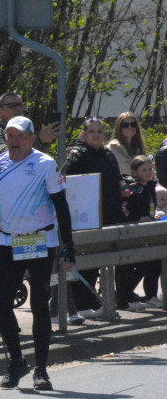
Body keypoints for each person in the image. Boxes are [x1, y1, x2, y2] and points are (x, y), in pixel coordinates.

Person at [0, 116, 76, 391]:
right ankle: (16, 361)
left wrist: (68, 246)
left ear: (31, 138)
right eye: (10, 136)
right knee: (1, 306)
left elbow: (61, 206)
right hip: (10, 242)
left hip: (40, 241)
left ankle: (42, 370)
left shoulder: (45, 164)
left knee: (38, 304)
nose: (14, 141)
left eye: (20, 136)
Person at [0, 92, 61, 336]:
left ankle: (6, 321)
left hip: (23, 218)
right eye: (12, 105)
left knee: (20, 279)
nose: (18, 108)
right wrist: (38, 140)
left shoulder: (13, 131)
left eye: (21, 104)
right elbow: (10, 155)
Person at [64, 117, 124, 318]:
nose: (96, 135)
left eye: (99, 131)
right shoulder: (76, 154)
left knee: (97, 262)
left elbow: (116, 179)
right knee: (84, 261)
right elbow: (68, 183)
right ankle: (81, 304)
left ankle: (89, 300)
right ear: (83, 134)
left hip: (107, 215)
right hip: (84, 218)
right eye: (92, 131)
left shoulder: (107, 154)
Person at [116, 155, 162, 309]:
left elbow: (149, 206)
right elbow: (125, 210)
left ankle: (149, 296)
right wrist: (138, 218)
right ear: (134, 172)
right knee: (130, 266)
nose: (148, 172)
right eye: (144, 170)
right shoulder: (132, 188)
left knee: (153, 261)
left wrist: (151, 216)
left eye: (150, 169)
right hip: (131, 232)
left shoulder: (150, 186)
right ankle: (123, 297)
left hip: (146, 231)